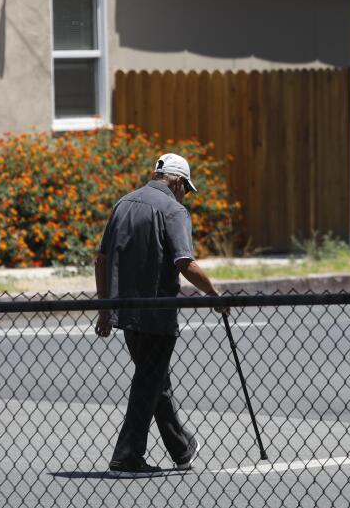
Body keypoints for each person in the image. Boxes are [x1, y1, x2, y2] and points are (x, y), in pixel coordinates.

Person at [94, 152, 227, 476]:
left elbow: (100, 259)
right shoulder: (173, 210)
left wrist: (104, 308)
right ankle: (127, 457)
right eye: (186, 188)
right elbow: (185, 262)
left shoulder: (123, 204)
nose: (186, 195)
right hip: (158, 312)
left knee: (154, 380)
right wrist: (214, 293)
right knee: (148, 382)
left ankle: (181, 448)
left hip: (125, 310)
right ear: (179, 181)